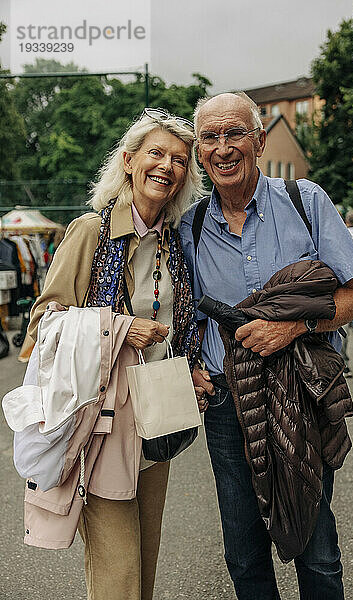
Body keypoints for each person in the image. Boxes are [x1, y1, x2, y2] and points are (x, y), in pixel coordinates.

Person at [180, 92, 353, 600]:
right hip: (225, 402)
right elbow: (182, 318)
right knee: (243, 553)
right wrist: (189, 367)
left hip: (303, 390)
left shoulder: (305, 201)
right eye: (210, 138)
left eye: (235, 133)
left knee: (317, 548)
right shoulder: (191, 228)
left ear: (259, 141)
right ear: (199, 152)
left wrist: (293, 328)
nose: (223, 148)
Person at [27, 108, 205, 600]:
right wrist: (121, 328)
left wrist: (193, 368)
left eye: (179, 159)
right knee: (118, 576)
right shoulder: (91, 232)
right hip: (102, 426)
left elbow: (182, 326)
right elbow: (41, 326)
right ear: (128, 161)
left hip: (158, 417)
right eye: (156, 154)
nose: (167, 166)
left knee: (144, 566)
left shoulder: (177, 242)